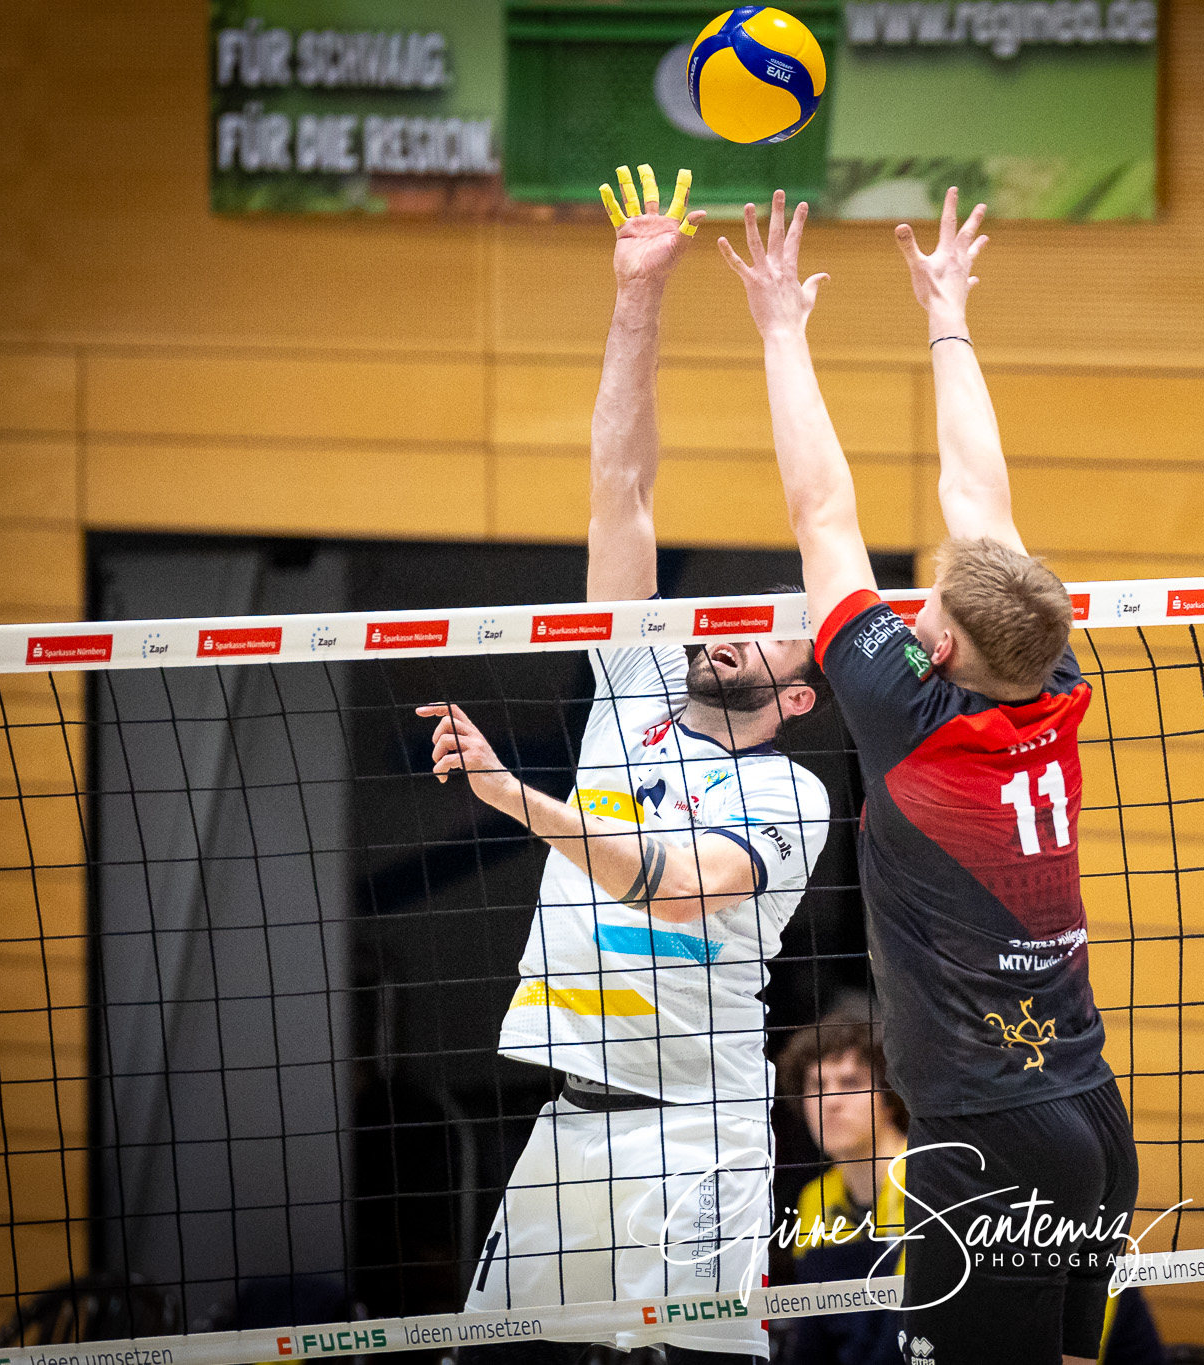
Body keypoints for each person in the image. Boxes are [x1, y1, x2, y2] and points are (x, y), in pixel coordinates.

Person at [719, 190, 1139, 1365]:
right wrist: (945, 316)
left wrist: (777, 328)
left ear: (940, 645)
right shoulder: (1046, 676)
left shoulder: (906, 709)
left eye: (928, 605)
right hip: (1092, 1123)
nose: (915, 604)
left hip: (987, 1138)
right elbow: (979, 503)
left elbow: (819, 508)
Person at [420, 164, 831, 1364]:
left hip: (695, 1135)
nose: (729, 620)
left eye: (772, 618)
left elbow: (675, 881)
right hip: (567, 1126)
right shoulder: (635, 691)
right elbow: (621, 482)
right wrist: (636, 296)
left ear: (798, 694)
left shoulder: (787, 793)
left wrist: (515, 800)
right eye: (731, 605)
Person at [776, 1007, 909, 1365]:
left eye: (850, 1083)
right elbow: (812, 1339)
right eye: (817, 1085)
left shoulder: (929, 1181)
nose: (829, 1102)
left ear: (890, 1095)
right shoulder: (814, 1198)